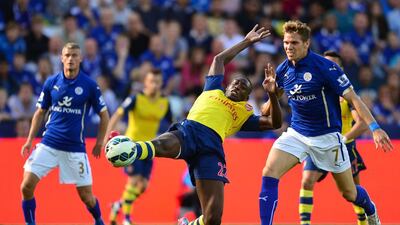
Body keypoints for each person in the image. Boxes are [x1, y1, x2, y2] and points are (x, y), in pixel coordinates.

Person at [111, 25, 282, 225]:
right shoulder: (213, 89)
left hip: (211, 150)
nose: (238, 86)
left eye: (243, 87)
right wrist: (246, 42)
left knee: (213, 218)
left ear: (247, 98)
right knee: (165, 145)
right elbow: (219, 59)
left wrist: (272, 94)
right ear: (226, 85)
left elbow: (274, 122)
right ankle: (130, 149)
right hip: (190, 131)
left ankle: (189, 224)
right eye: (235, 83)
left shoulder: (244, 114)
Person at [258, 20, 393, 225]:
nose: (288, 47)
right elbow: (266, 110)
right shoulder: (283, 69)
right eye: (286, 42)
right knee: (269, 172)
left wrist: (375, 128)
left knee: (349, 193)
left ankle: (370, 209)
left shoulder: (326, 67)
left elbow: (354, 99)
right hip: (297, 134)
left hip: (327, 138)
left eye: (294, 42)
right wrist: (271, 94)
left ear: (306, 43)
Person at [20, 42, 109, 225]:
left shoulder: (90, 85)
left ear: (80, 59)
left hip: (74, 149)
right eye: (67, 55)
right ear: (61, 58)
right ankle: (30, 223)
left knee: (87, 197)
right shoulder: (51, 82)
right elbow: (39, 112)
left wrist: (100, 142)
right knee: (26, 186)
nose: (70, 59)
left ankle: (99, 220)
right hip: (49, 144)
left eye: (75, 55)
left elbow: (104, 115)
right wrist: (29, 140)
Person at [299, 51, 369, 225]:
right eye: (324, 63)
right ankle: (304, 223)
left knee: (352, 192)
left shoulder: (346, 98)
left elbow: (361, 124)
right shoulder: (313, 93)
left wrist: (343, 139)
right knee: (307, 181)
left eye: (332, 65)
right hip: (319, 144)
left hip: (344, 147)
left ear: (340, 69)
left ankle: (363, 220)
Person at [107, 69, 173, 225]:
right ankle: (127, 219)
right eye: (152, 81)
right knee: (134, 180)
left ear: (161, 83)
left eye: (157, 82)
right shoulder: (135, 99)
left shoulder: (164, 103)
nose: (155, 85)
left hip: (150, 149)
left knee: (143, 186)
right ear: (145, 82)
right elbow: (118, 114)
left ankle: (119, 205)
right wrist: (107, 135)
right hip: (131, 147)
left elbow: (172, 124)